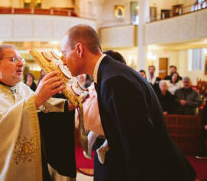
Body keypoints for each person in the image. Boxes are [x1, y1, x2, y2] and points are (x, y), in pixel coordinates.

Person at [61, 24, 196, 181]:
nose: (63, 61)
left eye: (64, 53)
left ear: (79, 49)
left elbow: (140, 149)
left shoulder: (115, 81)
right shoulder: (110, 72)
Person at [0, 44, 76, 180]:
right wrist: (34, 101)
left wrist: (65, 105)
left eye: (21, 59)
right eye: (14, 59)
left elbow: (42, 105)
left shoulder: (21, 87)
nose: (22, 63)